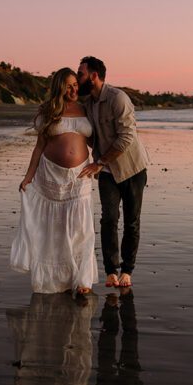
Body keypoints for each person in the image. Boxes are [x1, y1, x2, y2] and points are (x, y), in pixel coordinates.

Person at [10, 67, 98, 295]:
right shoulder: (49, 111)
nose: (74, 89)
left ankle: (82, 280)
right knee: (54, 230)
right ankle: (56, 279)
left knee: (81, 228)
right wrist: (28, 177)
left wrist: (101, 163)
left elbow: (98, 141)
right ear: (59, 87)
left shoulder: (87, 108)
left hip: (80, 177)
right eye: (68, 85)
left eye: (76, 85)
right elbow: (39, 146)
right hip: (50, 175)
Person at [77, 56, 148, 288]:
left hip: (132, 168)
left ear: (94, 76)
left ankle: (127, 270)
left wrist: (99, 162)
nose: (79, 79)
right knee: (109, 218)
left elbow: (127, 136)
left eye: (81, 74)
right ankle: (111, 270)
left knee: (132, 221)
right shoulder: (87, 103)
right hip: (107, 170)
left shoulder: (118, 98)